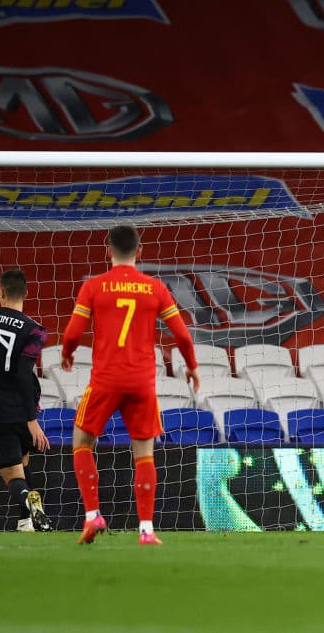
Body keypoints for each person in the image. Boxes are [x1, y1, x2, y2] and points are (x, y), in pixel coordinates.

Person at [61, 225, 201, 546]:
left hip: (106, 379)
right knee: (144, 453)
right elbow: (181, 334)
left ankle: (93, 514)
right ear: (140, 251)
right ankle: (147, 530)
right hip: (141, 381)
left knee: (82, 441)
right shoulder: (155, 288)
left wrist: (67, 354)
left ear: (107, 250)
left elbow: (72, 333)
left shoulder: (94, 286)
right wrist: (192, 367)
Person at [0, 269, 52, 532]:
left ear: (0, 291)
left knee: (11, 473)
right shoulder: (36, 331)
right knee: (23, 462)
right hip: (22, 407)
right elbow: (24, 375)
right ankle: (25, 522)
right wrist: (32, 419)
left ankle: (28, 502)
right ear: (26, 293)